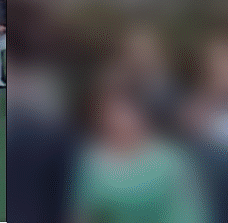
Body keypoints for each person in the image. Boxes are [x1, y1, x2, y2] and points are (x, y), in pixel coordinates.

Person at [70, 71, 211, 223]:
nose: (120, 120)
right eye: (111, 112)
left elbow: (190, 211)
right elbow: (83, 212)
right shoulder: (91, 160)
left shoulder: (171, 159)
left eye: (127, 111)